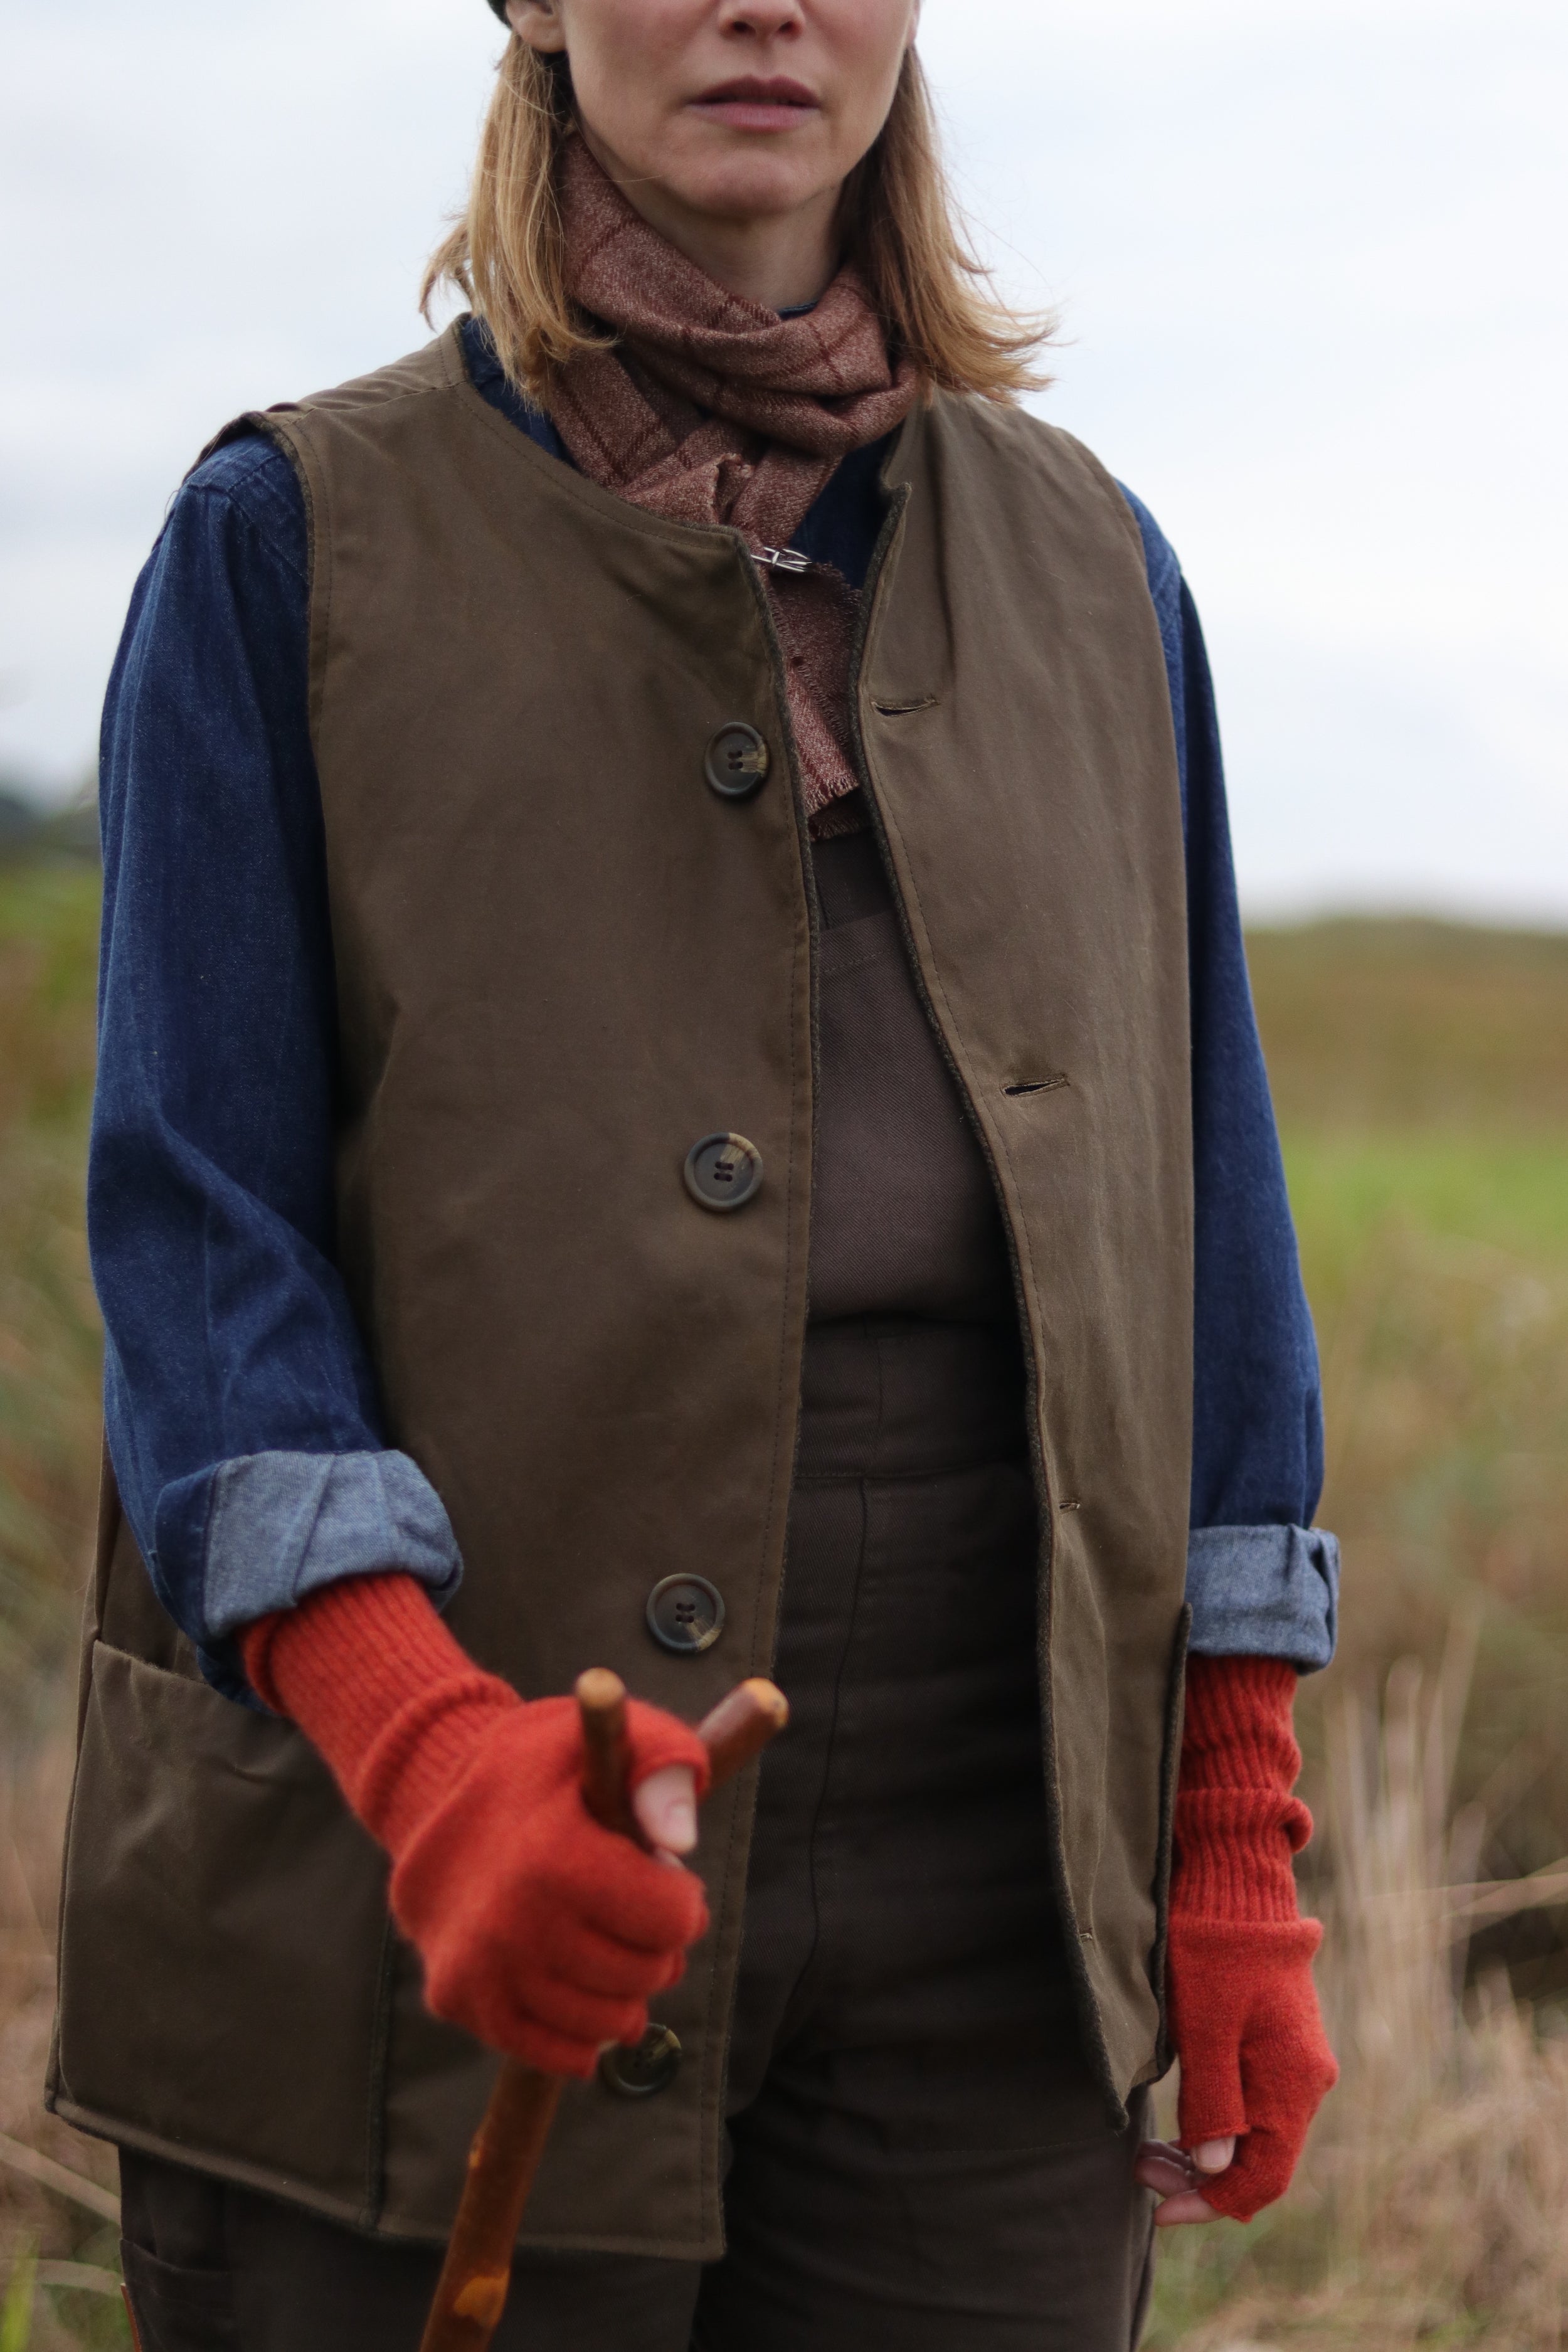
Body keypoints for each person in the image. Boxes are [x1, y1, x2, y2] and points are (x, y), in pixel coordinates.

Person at [52, 3, 1341, 2346]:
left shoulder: (1101, 574)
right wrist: (430, 1753)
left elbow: (1206, 1230)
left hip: (998, 1916)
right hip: (415, 1898)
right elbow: (197, 1247)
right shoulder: (284, 542)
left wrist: (1233, 1822)